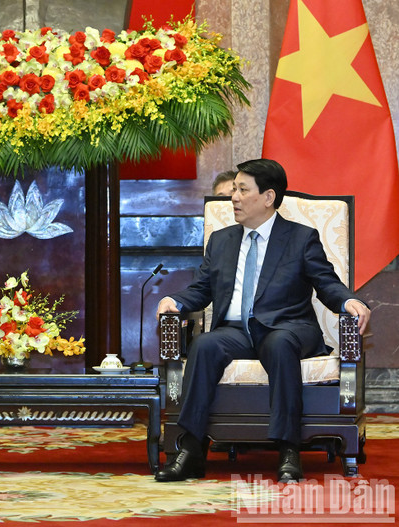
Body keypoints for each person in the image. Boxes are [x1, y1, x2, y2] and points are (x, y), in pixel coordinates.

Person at [155, 158, 370, 483]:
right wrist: (175, 301)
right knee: (204, 345)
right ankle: (191, 450)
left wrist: (349, 300)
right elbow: (201, 288)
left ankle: (288, 450)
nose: (234, 198)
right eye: (235, 190)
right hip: (236, 331)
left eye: (243, 190)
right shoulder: (223, 240)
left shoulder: (300, 238)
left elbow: (326, 282)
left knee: (280, 343)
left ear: (268, 197)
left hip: (288, 327)